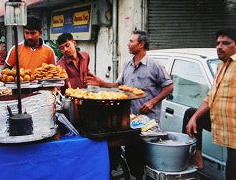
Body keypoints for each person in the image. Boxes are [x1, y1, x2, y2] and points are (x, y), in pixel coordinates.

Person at [86, 30, 173, 179]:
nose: (128, 44)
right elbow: (118, 86)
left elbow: (169, 87)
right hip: (130, 120)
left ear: (141, 44)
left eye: (131, 41)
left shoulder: (154, 65)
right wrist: (101, 83)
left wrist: (152, 102)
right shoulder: (128, 65)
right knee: (131, 158)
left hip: (148, 122)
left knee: (144, 159)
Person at [186, 28, 236, 180]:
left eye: (226, 43)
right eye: (218, 43)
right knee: (190, 114)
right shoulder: (221, 66)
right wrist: (194, 118)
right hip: (222, 124)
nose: (219, 47)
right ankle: (197, 157)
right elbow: (210, 97)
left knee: (232, 173)